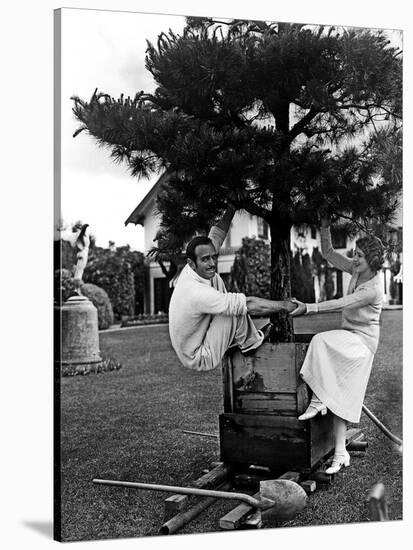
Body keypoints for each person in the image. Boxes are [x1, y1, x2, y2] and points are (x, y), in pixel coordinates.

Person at [290, 215, 385, 474]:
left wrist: (308, 308)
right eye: (355, 254)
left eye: (360, 257)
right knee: (341, 395)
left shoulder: (374, 288)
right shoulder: (357, 268)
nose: (354, 259)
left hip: (363, 343)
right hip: (349, 335)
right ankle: (341, 454)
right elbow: (329, 253)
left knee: (320, 340)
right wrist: (323, 225)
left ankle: (319, 398)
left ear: (373, 262)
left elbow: (341, 304)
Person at [169, 206, 296, 373]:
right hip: (199, 356)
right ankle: (251, 343)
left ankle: (244, 337)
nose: (212, 263)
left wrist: (231, 207)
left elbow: (217, 234)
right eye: (206, 259)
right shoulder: (196, 292)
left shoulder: (193, 267)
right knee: (234, 308)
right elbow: (247, 304)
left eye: (214, 257)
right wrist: (285, 305)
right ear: (191, 263)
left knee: (217, 280)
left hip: (196, 340)